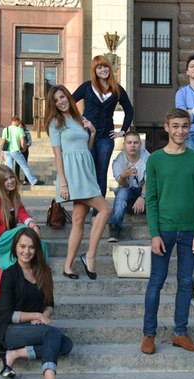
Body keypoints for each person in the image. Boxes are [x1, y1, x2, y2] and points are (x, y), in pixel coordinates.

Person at [141, 108, 194, 355]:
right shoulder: (155, 159)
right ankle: (149, 334)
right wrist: (154, 234)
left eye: (185, 126)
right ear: (167, 127)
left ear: (190, 128)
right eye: (176, 126)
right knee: (156, 282)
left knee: (186, 283)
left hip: (190, 232)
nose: (181, 131)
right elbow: (151, 199)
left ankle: (180, 333)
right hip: (164, 231)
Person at [0, 228, 72, 379]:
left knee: (66, 344)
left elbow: (50, 303)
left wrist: (44, 315)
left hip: (34, 329)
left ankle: (14, 354)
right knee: (53, 334)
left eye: (31, 247)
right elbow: (6, 314)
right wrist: (37, 316)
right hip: (10, 330)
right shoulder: (9, 274)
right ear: (15, 247)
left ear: (37, 249)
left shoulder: (44, 271)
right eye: (22, 246)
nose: (26, 251)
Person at [46, 85, 112, 280]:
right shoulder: (55, 123)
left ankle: (68, 266)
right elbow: (58, 155)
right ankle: (90, 256)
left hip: (86, 170)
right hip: (72, 174)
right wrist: (63, 183)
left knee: (78, 221)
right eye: (56, 100)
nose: (61, 101)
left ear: (68, 97)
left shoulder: (78, 118)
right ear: (53, 104)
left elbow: (86, 148)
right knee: (105, 209)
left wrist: (92, 133)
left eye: (62, 97)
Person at [73, 55, 134, 201]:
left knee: (101, 173)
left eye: (105, 66)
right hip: (87, 135)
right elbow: (69, 102)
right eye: (99, 67)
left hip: (106, 138)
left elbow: (129, 110)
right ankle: (86, 205)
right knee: (88, 172)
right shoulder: (87, 87)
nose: (103, 70)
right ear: (94, 71)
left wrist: (122, 131)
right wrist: (80, 120)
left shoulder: (117, 89)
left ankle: (98, 210)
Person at [0, 165, 47, 270]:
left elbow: (22, 213)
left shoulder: (13, 196)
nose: (10, 181)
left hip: (7, 239)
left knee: (40, 244)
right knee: (24, 230)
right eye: (5, 180)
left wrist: (34, 226)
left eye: (11, 177)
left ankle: (37, 271)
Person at [107, 131, 151, 242]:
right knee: (122, 191)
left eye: (136, 142)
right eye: (129, 142)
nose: (132, 145)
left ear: (140, 144)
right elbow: (123, 185)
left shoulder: (148, 157)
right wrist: (123, 176)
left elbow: (150, 181)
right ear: (124, 144)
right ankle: (114, 226)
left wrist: (142, 197)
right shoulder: (119, 160)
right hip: (128, 199)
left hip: (146, 197)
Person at [1, 116, 45, 186]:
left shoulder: (5, 129)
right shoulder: (19, 130)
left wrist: (2, 152)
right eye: (18, 121)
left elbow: (3, 142)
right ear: (17, 121)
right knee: (25, 166)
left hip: (7, 151)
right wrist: (24, 149)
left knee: (9, 168)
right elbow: (23, 142)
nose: (19, 123)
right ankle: (33, 181)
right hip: (15, 151)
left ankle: (7, 182)